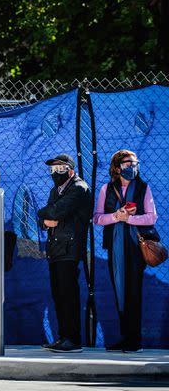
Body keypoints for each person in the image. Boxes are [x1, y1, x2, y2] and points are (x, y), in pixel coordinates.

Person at [93, 150, 157, 353]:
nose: (132, 167)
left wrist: (129, 219)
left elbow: (151, 217)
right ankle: (125, 337)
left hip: (136, 248)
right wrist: (115, 216)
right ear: (117, 167)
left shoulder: (143, 188)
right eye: (128, 163)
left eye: (135, 163)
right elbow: (97, 218)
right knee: (119, 290)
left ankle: (134, 340)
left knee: (133, 291)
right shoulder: (107, 189)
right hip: (115, 247)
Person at [37, 154, 91, 353]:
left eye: (60, 169)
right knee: (58, 294)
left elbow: (57, 212)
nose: (55, 173)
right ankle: (63, 337)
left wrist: (46, 214)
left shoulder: (78, 188)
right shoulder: (55, 190)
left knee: (68, 295)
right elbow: (45, 217)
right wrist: (45, 218)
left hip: (70, 249)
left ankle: (73, 339)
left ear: (70, 170)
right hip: (55, 249)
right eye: (52, 169)